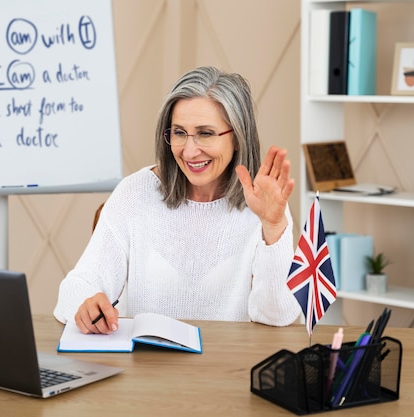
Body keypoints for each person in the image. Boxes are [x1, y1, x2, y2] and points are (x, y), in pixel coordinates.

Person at [54, 66, 300, 334]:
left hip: (229, 370)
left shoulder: (264, 202)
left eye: (205, 133)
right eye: (180, 132)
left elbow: (278, 316)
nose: (190, 151)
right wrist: (85, 304)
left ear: (238, 137)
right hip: (148, 369)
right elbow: (73, 290)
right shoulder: (135, 193)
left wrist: (274, 228)